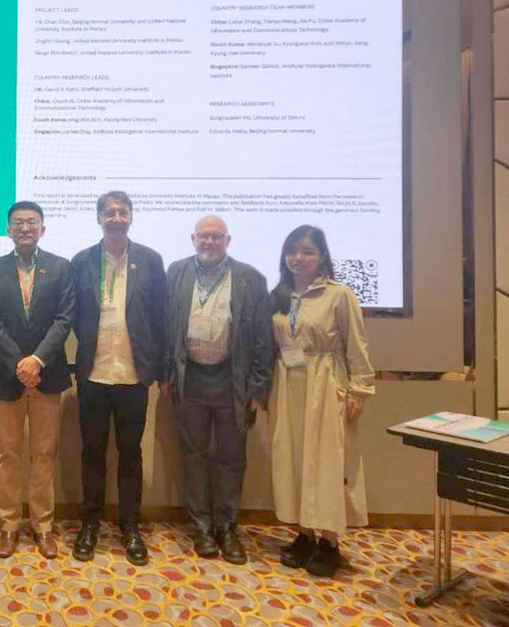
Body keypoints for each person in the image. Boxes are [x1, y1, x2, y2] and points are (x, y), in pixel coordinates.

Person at [163, 215, 273, 564]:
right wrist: (168, 375)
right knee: (193, 456)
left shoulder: (250, 279)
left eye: (216, 237)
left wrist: (258, 386)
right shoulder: (177, 272)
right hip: (190, 379)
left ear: (228, 240)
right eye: (204, 237)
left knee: (231, 458)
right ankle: (200, 525)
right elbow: (167, 326)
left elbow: (261, 337)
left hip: (232, 382)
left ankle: (226, 526)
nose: (209, 242)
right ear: (193, 239)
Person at [268, 225, 374, 577]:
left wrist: (359, 389)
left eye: (307, 251)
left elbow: (357, 345)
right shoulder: (279, 295)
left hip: (326, 385)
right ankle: (304, 534)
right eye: (292, 251)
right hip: (288, 384)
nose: (298, 258)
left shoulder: (339, 295)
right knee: (294, 459)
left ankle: (329, 540)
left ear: (322, 256)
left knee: (327, 463)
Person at [69, 191, 166, 565]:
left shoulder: (150, 260)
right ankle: (89, 524)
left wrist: (155, 369)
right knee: (92, 454)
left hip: (132, 376)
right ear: (98, 218)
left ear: (131, 217)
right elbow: (73, 314)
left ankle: (130, 526)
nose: (116, 218)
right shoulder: (82, 261)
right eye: (109, 212)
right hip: (93, 375)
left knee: (130, 455)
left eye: (122, 212)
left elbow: (160, 317)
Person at [0, 201, 75, 559]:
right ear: (8, 229)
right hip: (7, 377)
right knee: (7, 454)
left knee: (43, 453)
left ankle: (43, 526)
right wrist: (20, 363)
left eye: (31, 222)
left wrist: (37, 360)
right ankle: (8, 524)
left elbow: (64, 319)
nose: (25, 228)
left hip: (47, 376)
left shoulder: (61, 268)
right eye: (18, 223)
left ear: (42, 229)